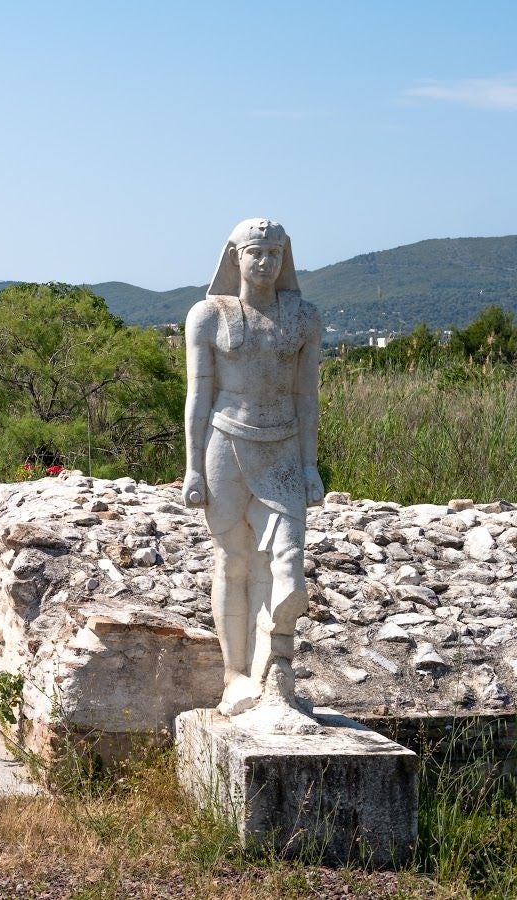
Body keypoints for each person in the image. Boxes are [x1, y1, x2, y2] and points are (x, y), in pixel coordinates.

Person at [182, 218, 324, 734]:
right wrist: (193, 466)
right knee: (234, 561)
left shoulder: (305, 319)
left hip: (284, 447)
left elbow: (307, 399)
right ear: (235, 258)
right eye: (255, 253)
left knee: (287, 561)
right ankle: (236, 674)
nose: (265, 263)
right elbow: (198, 396)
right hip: (225, 442)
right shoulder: (208, 315)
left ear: (285, 258)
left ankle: (276, 670)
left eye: (274, 254)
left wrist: (310, 466)